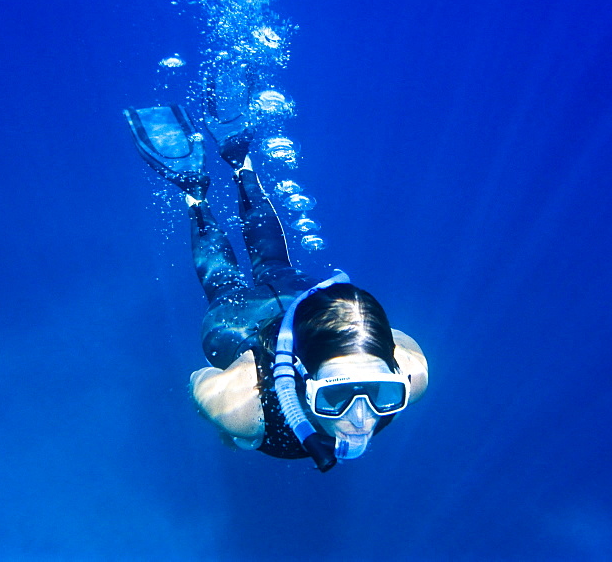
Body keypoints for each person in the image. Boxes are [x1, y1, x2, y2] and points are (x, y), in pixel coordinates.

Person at [125, 103, 428, 472]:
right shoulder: (242, 408)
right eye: (334, 398)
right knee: (225, 285)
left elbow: (395, 341)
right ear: (302, 378)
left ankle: (239, 165)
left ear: (397, 375)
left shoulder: (413, 375)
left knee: (272, 267)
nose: (361, 419)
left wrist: (349, 329)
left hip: (305, 302)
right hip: (239, 328)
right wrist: (219, 418)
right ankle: (196, 191)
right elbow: (197, 381)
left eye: (384, 392)